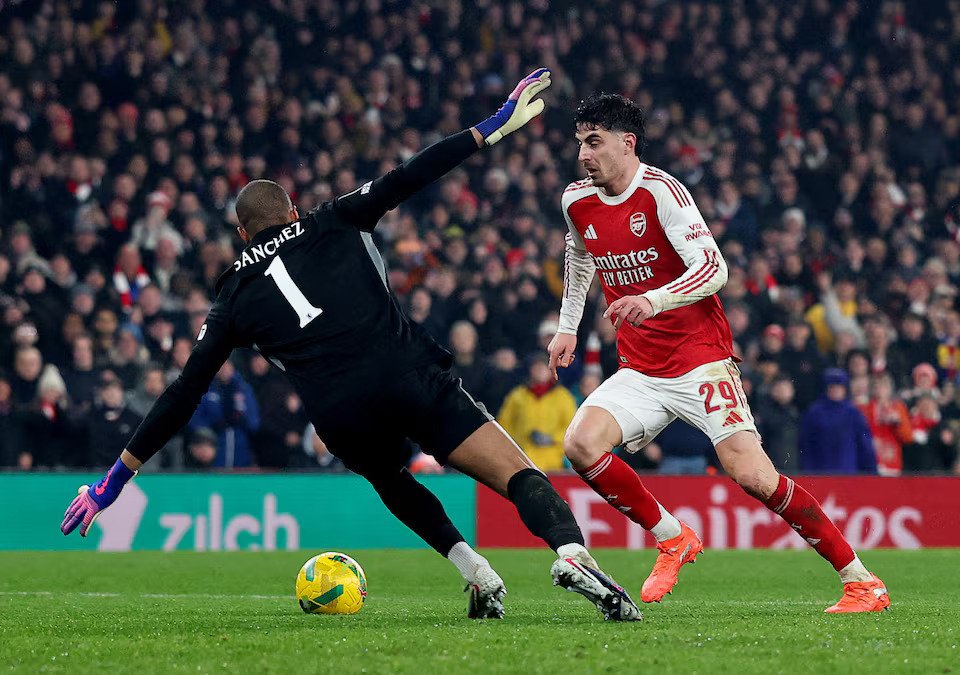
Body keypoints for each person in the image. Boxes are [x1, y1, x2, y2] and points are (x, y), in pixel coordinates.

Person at [61, 70, 640, 622]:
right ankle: (570, 555)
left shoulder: (232, 296)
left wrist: (112, 482)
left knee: (392, 478)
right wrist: (490, 125)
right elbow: (411, 174)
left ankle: (478, 573)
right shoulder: (331, 219)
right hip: (404, 373)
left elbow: (183, 393)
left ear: (242, 235)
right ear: (291, 211)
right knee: (517, 475)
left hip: (339, 413)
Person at [548, 93, 889, 613]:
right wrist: (567, 326)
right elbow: (579, 254)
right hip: (639, 366)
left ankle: (862, 581)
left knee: (754, 476)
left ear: (627, 143)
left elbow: (715, 270)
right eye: (580, 143)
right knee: (580, 443)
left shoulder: (662, 193)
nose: (583, 155)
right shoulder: (576, 200)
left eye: (594, 143)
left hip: (699, 357)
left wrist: (653, 298)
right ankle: (671, 536)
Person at [497, 353, 577, 471]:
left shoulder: (563, 397)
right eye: (536, 367)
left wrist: (552, 438)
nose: (540, 370)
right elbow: (504, 425)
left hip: (555, 463)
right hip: (522, 460)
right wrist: (513, 446)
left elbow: (573, 427)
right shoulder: (517, 395)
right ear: (530, 370)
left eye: (544, 366)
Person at [798, 369, 877, 475]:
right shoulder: (814, 412)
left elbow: (865, 446)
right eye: (832, 386)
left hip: (849, 474)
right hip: (820, 473)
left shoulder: (854, 413)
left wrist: (872, 472)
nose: (836, 390)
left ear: (845, 389)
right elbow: (806, 445)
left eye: (839, 386)